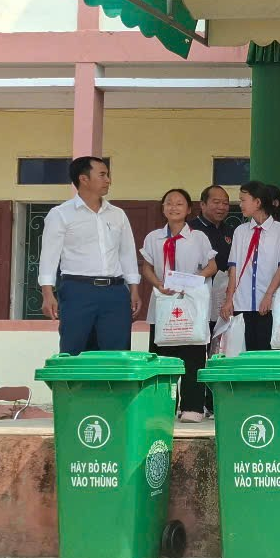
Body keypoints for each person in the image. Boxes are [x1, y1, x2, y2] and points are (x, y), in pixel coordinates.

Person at [38, 156, 142, 354]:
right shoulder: (60, 214)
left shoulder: (117, 214)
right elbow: (49, 257)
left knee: (116, 353)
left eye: (107, 175)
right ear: (84, 179)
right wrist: (47, 294)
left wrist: (134, 289)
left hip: (115, 292)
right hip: (77, 291)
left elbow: (127, 253)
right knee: (75, 351)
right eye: (102, 175)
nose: (108, 180)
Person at [139, 188, 217, 422]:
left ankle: (192, 407)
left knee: (193, 356)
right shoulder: (153, 237)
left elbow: (212, 266)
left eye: (179, 203)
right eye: (169, 203)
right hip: (163, 303)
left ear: (189, 209)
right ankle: (163, 405)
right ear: (163, 208)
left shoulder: (198, 237)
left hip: (190, 304)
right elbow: (147, 268)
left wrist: (193, 281)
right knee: (162, 357)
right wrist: (159, 284)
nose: (173, 207)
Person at [221, 181, 280, 351]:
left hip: (270, 305)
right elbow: (234, 268)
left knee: (267, 354)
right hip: (242, 303)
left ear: (258, 202)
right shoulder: (240, 231)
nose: (240, 204)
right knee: (244, 353)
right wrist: (229, 299)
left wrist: (268, 295)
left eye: (243, 200)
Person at [191, 184, 233, 322]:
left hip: (223, 298)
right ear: (202, 204)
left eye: (225, 203)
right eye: (216, 202)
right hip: (196, 293)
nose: (221, 207)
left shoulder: (231, 231)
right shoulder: (190, 229)